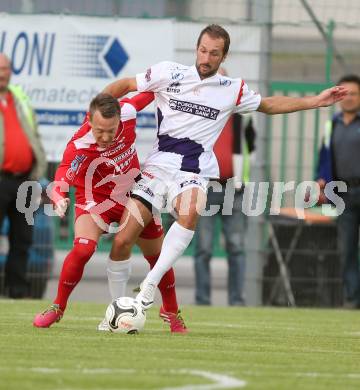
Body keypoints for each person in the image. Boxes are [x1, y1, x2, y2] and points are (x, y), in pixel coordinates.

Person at [102, 24, 347, 310]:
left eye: (214, 54)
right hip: (158, 166)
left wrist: (315, 100)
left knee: (190, 212)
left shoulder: (232, 89)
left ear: (224, 56)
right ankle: (115, 308)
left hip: (194, 171)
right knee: (121, 241)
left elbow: (269, 104)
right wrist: (95, 111)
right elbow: (125, 85)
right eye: (203, 51)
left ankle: (150, 283)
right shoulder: (168, 72)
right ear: (197, 49)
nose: (206, 58)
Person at [33, 92, 187, 332]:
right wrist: (58, 197)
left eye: (111, 130)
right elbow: (63, 175)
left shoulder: (128, 112)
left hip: (134, 196)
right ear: (90, 121)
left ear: (119, 120)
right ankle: (57, 307)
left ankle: (171, 311)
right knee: (83, 249)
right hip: (96, 201)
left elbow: (152, 89)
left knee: (158, 255)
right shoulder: (79, 146)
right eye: (99, 131)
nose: (105, 137)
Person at [193, 68, 255, 306]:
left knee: (237, 248)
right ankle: (202, 301)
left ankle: (237, 302)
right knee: (203, 249)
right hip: (205, 189)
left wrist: (243, 180)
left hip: (234, 190)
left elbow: (253, 149)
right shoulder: (196, 113)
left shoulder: (242, 114)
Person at [0, 53, 47, 299]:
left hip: (24, 180)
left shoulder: (19, 97)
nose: (2, 73)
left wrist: (36, 169)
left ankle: (16, 290)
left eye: (5, 68)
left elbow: (33, 132)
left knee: (23, 238)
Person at [316, 74, 360, 309]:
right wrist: (321, 181)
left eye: (354, 93)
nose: (349, 98)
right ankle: (353, 299)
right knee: (347, 250)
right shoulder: (331, 124)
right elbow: (323, 158)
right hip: (343, 194)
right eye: (345, 93)